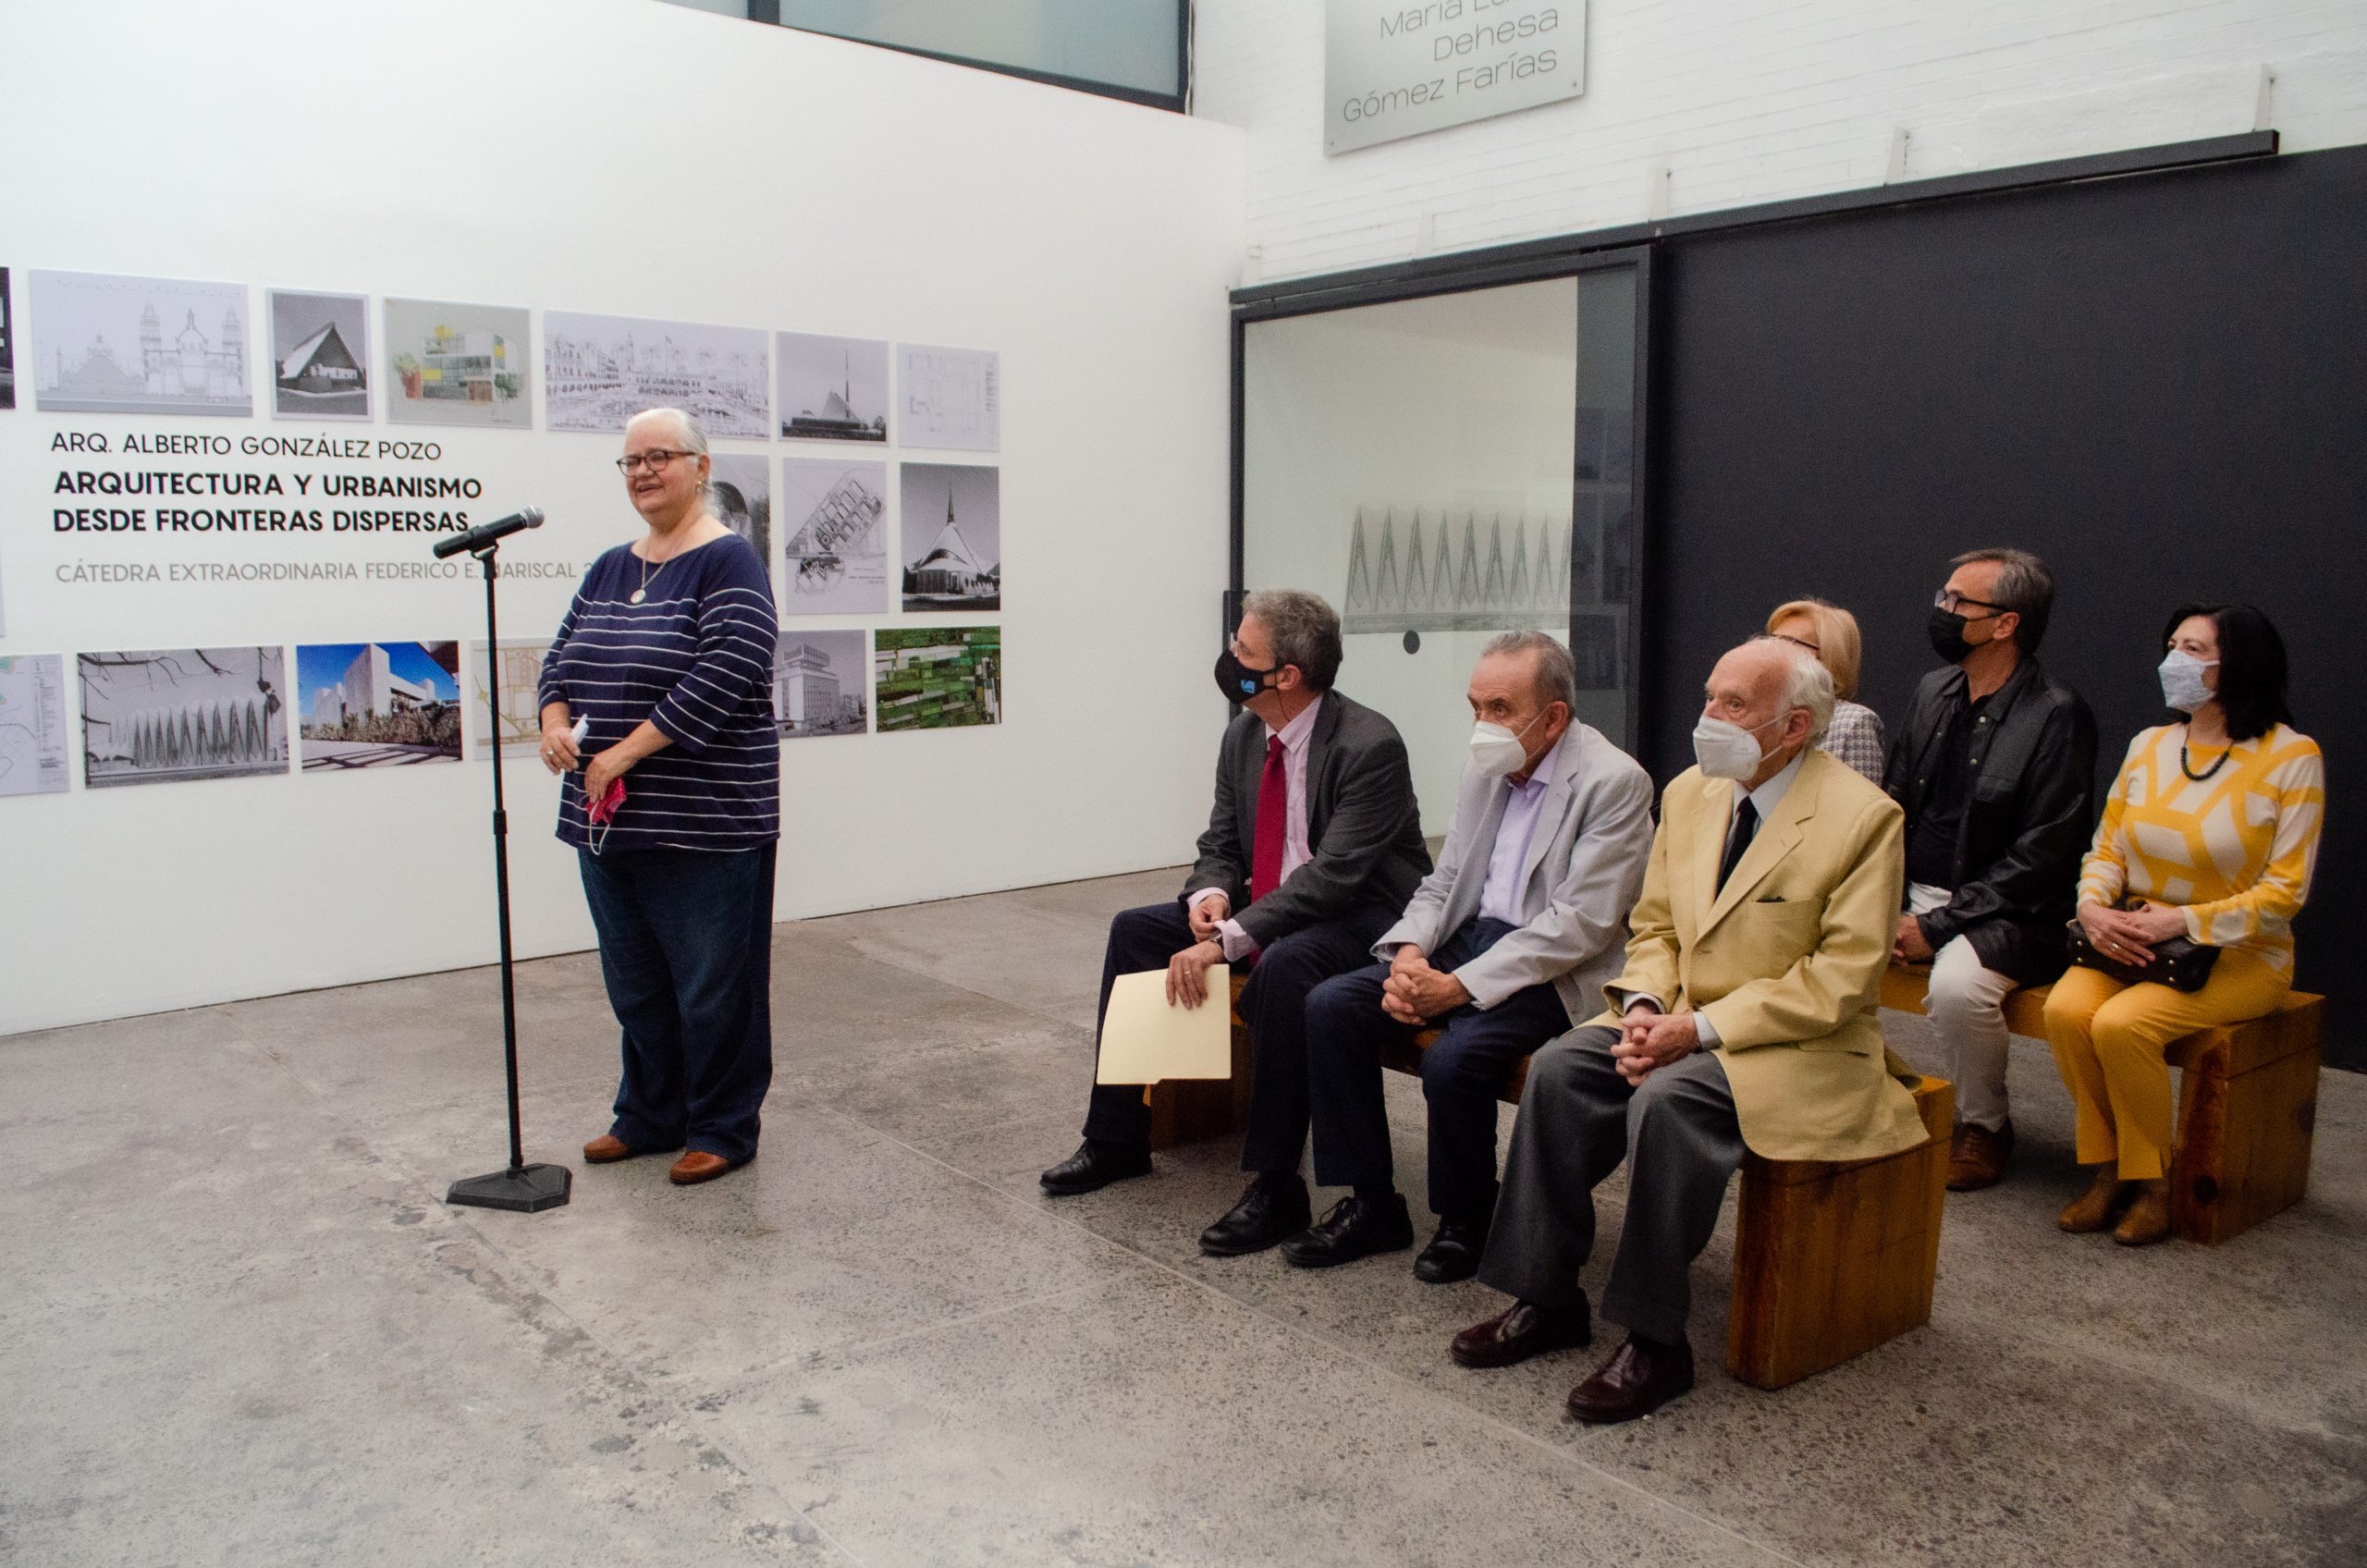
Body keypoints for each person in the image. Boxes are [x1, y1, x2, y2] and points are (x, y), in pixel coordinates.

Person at [1450, 638, 1925, 1424]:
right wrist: (1642, 1007)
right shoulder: (1690, 793)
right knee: (1565, 1068)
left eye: (1734, 704)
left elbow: (1840, 982)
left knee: (1669, 1103)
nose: (1708, 717)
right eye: (1710, 696)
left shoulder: (1863, 819)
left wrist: (1697, 1029)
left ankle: (1654, 1337)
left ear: (1795, 726)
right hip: (1672, 1013)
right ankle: (1544, 1295)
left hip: (1792, 1043)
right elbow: (1656, 928)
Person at [1039, 591, 1432, 1256]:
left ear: (1288, 675)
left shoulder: (1370, 745)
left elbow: (1334, 877)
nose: (1229, 660)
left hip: (1358, 916)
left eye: (1243, 652)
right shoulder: (1246, 734)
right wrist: (1210, 898)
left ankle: (1276, 1182)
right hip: (1269, 902)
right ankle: (1115, 1139)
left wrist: (1231, 940)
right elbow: (1220, 841)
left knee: (1285, 964)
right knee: (1136, 931)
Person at [1290, 632, 1654, 1280]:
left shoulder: (1614, 782)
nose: (1483, 724)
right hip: (1470, 937)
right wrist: (1409, 951)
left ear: (1555, 717)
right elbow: (1444, 878)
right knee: (1331, 1005)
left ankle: (1466, 1219)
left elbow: (1581, 925)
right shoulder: (1486, 766)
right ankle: (1370, 1202)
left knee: (1455, 1059)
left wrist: (1456, 987)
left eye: (1501, 708)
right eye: (1476, 706)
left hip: (1553, 964)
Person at [538, 408, 781, 1187]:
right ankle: (647, 1115)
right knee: (635, 982)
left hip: (705, 823)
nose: (643, 472)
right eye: (631, 461)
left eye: (661, 457)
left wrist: (623, 754)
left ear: (702, 467)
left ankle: (722, 1126)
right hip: (606, 823)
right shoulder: (612, 567)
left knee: (714, 987)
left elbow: (723, 676)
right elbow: (560, 662)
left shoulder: (730, 563)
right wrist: (551, 723)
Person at [2043, 605, 2322, 1246]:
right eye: (2172, 645)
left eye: (2193, 649)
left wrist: (2185, 920)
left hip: (2242, 955)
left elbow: (2286, 892)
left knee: (2123, 1025)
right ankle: (2110, 1166)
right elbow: (2107, 849)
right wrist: (2092, 907)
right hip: (2134, 941)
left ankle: (2156, 1183)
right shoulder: (2150, 745)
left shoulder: (2291, 757)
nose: (2174, 661)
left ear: (2239, 665)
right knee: (2066, 1011)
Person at [1883, 548, 2096, 1191]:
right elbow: (1891, 807)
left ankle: (1985, 1126)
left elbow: (2045, 855)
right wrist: (1885, 901)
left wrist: (1940, 924)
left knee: (1956, 987)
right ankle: (1855, 1092)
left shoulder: (2057, 713)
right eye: (1943, 597)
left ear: (2005, 624)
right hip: (1912, 898)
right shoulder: (1931, 691)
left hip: (2012, 915)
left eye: (1957, 603)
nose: (1941, 612)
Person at [1767, 598, 1884, 783]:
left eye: (1788, 642)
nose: (1769, 651)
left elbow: (1862, 809)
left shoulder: (1852, 724)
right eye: (1771, 640)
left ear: (1829, 657)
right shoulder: (1761, 715)